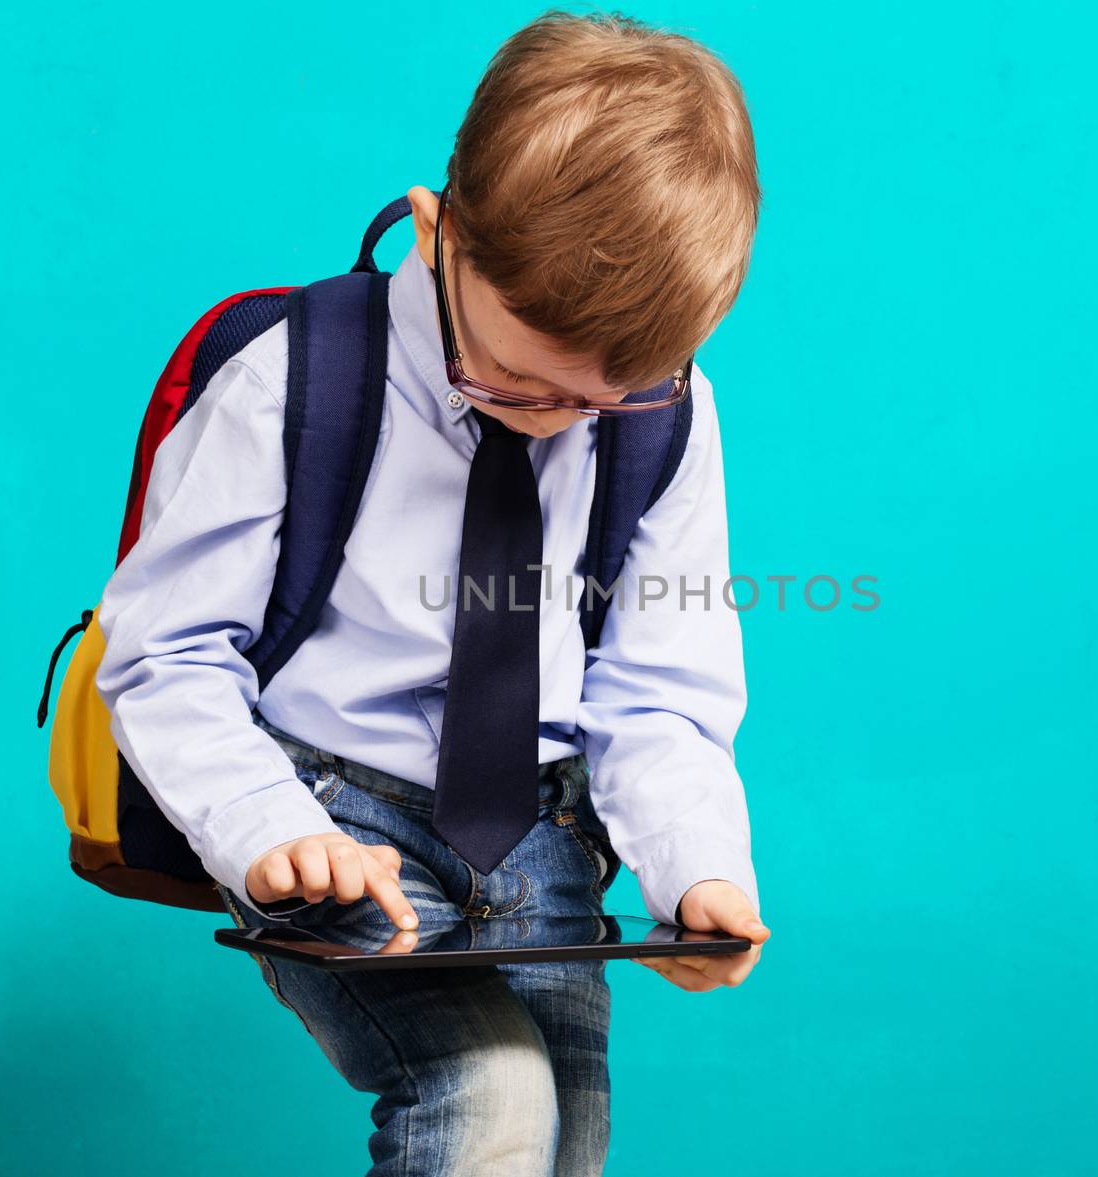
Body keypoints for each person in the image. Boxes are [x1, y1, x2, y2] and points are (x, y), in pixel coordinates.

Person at [94, 10, 769, 1175]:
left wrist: (697, 866)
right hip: (335, 821)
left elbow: (660, 690)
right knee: (486, 1102)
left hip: (548, 831)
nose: (547, 417)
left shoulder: (671, 415)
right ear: (436, 230)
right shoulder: (292, 377)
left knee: (568, 1138)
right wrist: (273, 835)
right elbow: (165, 655)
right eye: (507, 374)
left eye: (598, 402)